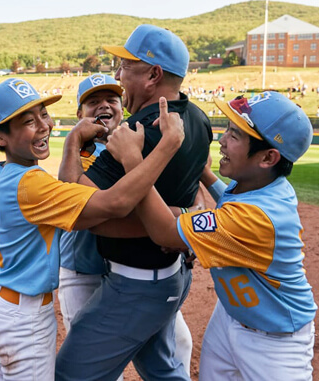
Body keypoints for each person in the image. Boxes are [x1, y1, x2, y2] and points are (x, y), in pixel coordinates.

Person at [0, 77, 186, 380]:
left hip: (14, 302)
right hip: (23, 313)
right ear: (0, 137)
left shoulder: (14, 172)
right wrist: (166, 147)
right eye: (27, 121)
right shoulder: (30, 184)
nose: (43, 125)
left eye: (43, 115)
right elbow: (117, 203)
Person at [56, 24, 213, 380]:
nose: (119, 75)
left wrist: (70, 145)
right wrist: (176, 224)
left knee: (71, 373)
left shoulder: (137, 133)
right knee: (161, 369)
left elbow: (76, 207)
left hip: (136, 285)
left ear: (153, 74)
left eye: (125, 66)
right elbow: (188, 191)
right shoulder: (199, 119)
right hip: (171, 274)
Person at [134, 91, 317, 380]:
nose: (222, 140)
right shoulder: (261, 187)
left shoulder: (256, 217)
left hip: (277, 342)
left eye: (234, 135)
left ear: (268, 157)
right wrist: (205, 173)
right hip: (230, 316)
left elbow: (165, 233)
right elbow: (226, 202)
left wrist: (134, 162)